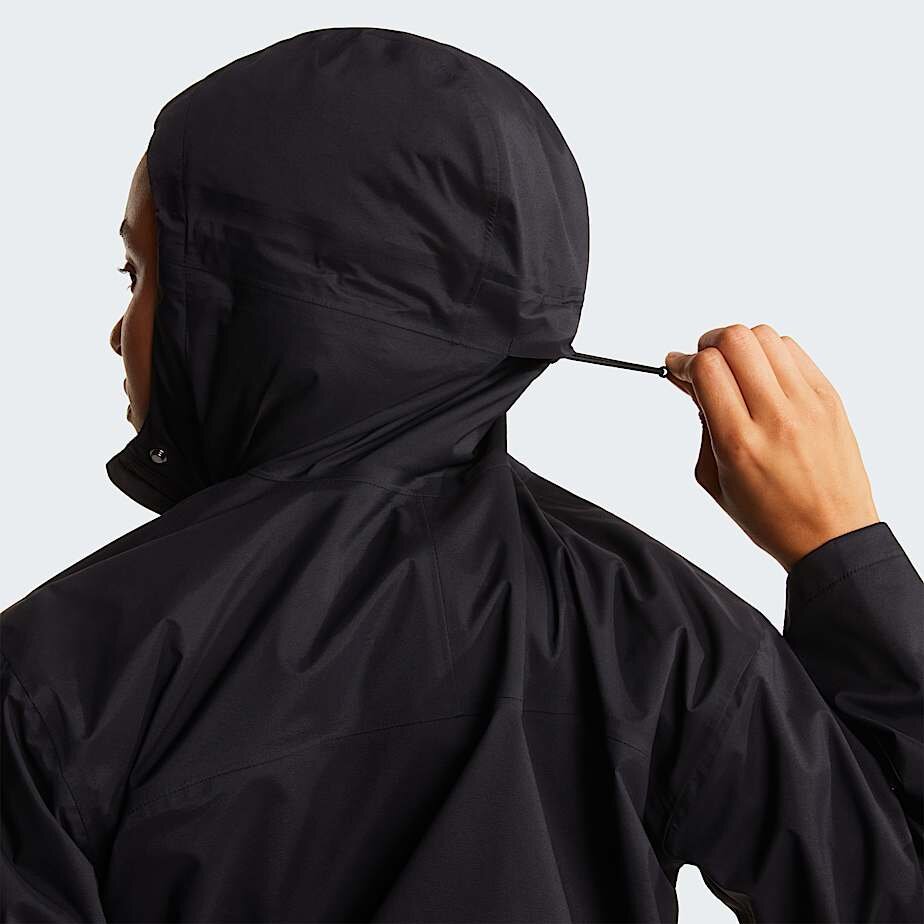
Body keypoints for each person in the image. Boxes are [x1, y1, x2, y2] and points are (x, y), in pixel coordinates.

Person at [1, 26, 920, 923]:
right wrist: (840, 545)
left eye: (138, 273)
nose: (118, 333)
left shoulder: (58, 673)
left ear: (252, 296)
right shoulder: (661, 632)